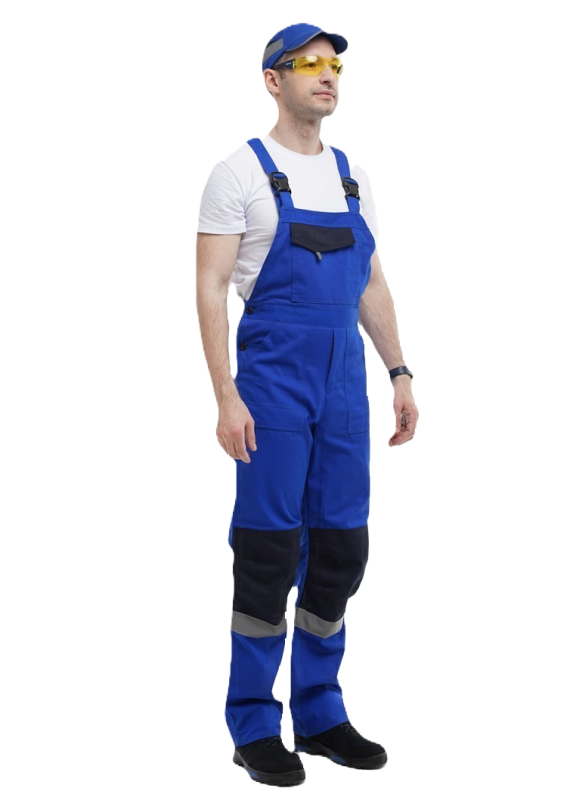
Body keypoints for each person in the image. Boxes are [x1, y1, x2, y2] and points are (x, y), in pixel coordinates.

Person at [196, 23, 419, 787]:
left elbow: (372, 284)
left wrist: (399, 371)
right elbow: (209, 288)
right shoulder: (238, 173)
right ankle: (254, 724)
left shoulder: (351, 176)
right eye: (309, 64)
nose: (327, 75)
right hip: (273, 389)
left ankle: (320, 715)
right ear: (273, 79)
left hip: (345, 390)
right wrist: (225, 394)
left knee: (340, 550)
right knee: (267, 553)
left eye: (335, 65)